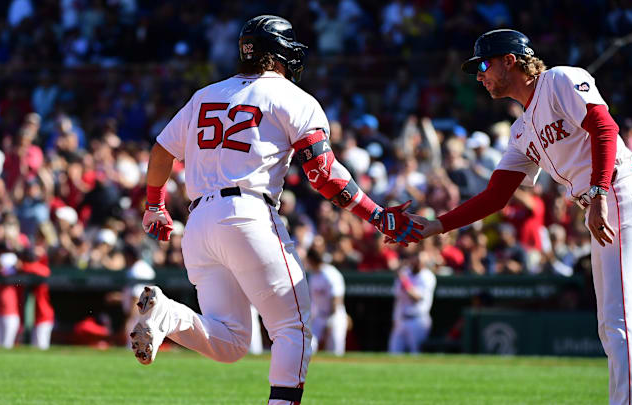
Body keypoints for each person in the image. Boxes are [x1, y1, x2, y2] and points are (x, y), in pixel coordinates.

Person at [131, 15, 421, 405]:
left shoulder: (204, 95)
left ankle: (167, 313)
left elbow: (162, 150)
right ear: (280, 53)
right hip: (247, 212)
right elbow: (323, 175)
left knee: (231, 342)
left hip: (198, 223)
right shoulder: (292, 97)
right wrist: (376, 214)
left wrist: (155, 205)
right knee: (294, 328)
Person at [411, 29, 632, 405]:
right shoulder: (521, 128)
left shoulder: (559, 79)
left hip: (620, 194)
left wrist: (598, 193)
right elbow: (495, 196)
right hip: (603, 202)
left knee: (622, 323)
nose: (479, 76)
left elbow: (605, 128)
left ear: (510, 60)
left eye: (483, 64)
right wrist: (438, 225)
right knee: (611, 327)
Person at [388, 246, 436, 354]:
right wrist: (395, 318)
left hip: (418, 320)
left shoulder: (427, 276)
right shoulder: (405, 272)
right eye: (415, 259)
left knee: (416, 354)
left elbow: (416, 297)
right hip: (401, 318)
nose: (417, 262)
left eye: (420, 261)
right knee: (393, 353)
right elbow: (397, 296)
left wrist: (404, 280)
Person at [306, 248, 347, 357]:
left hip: (335, 314)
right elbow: (312, 299)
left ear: (312, 260)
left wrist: (330, 319)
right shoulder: (313, 276)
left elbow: (337, 298)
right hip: (319, 315)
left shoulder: (331, 274)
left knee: (335, 349)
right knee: (310, 344)